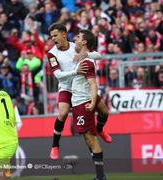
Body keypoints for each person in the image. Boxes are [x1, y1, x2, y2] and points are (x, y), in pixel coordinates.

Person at [47, 23, 112, 160]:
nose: (53, 38)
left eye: (55, 35)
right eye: (51, 36)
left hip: (81, 88)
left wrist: (86, 54)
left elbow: (99, 56)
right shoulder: (52, 53)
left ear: (63, 34)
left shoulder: (75, 46)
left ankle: (100, 129)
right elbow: (58, 75)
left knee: (104, 112)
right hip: (66, 87)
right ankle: (55, 145)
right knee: (63, 113)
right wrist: (75, 71)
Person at [72, 29, 106, 180]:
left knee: (91, 139)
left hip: (82, 102)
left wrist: (92, 102)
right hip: (83, 99)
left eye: (78, 37)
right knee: (90, 137)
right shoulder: (84, 57)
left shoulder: (86, 61)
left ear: (84, 42)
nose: (75, 38)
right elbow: (98, 55)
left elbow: (92, 83)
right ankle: (100, 128)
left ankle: (100, 177)